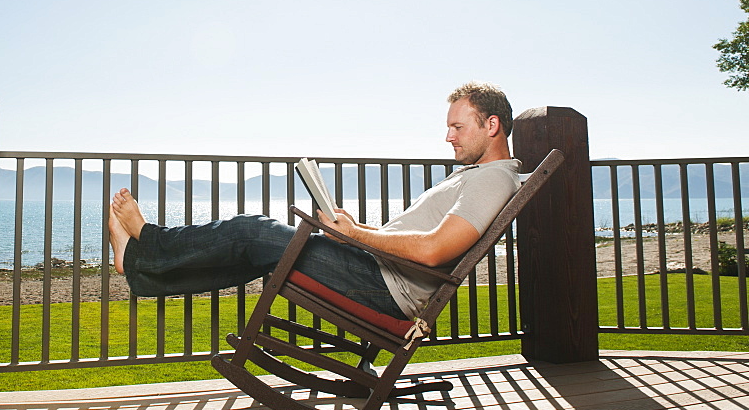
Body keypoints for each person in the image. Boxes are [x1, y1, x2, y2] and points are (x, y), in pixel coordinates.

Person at [108, 82, 522, 320]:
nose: (448, 137)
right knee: (257, 251)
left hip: (383, 288)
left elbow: (433, 251)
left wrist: (358, 235)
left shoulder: (490, 182)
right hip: (376, 270)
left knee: (252, 230)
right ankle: (139, 266)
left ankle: (148, 239)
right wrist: (354, 234)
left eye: (457, 126)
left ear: (491, 125)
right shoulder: (476, 177)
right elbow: (420, 238)